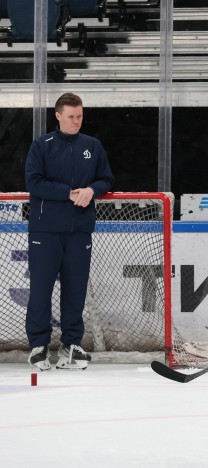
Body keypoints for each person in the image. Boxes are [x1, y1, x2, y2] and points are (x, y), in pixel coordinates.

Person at [25, 93, 114, 371]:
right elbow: (34, 182)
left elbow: (107, 179)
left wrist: (92, 190)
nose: (77, 121)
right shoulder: (42, 146)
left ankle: (71, 345)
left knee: (75, 291)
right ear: (58, 116)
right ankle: (39, 346)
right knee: (41, 289)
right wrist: (68, 193)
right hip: (46, 231)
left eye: (80, 116)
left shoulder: (93, 145)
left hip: (80, 232)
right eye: (72, 116)